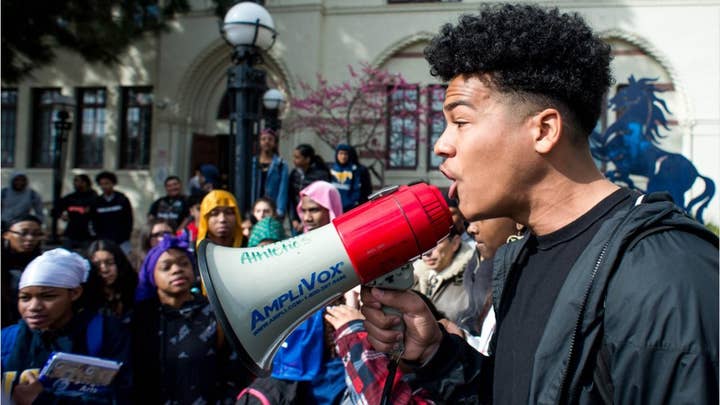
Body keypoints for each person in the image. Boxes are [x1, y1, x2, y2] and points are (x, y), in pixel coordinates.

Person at [360, 4, 719, 404]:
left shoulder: (664, 275)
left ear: (544, 130)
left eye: (460, 121)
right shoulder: (521, 260)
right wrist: (436, 356)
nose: (441, 145)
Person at [237, 181, 347, 405]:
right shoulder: (295, 250)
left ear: (332, 208)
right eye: (303, 210)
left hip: (335, 355)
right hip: (299, 356)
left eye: (314, 210)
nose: (307, 218)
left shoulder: (348, 248)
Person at [1, 248, 131, 404]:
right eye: (25, 297)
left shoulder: (105, 333)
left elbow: (121, 395)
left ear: (75, 293)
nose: (34, 306)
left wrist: (44, 400)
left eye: (48, 296)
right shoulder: (8, 339)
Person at [132, 236, 249, 403]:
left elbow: (233, 372)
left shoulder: (215, 311)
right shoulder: (141, 318)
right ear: (151, 276)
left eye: (184, 264)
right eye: (166, 267)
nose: (177, 269)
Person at [412, 227, 475, 325]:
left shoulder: (473, 278)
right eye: (423, 243)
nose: (427, 252)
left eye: (435, 243)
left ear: (455, 243)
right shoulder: (412, 279)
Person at [1, 215, 44, 328]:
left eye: (36, 234)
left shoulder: (44, 263)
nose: (30, 238)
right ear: (6, 235)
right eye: (23, 233)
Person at [87, 239, 138, 323]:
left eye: (110, 263)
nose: (104, 269)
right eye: (97, 265)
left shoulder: (134, 290)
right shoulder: (87, 298)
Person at [288, 144, 330, 234]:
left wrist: (304, 221)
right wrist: (294, 219)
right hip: (297, 220)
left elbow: (322, 202)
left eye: (297, 157)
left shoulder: (321, 175)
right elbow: (291, 197)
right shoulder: (294, 173)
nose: (294, 160)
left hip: (313, 219)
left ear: (307, 159)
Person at [90, 171, 134, 256]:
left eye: (107, 183)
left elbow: (128, 219)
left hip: (121, 241)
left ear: (113, 183)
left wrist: (125, 236)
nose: (104, 186)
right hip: (104, 240)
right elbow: (94, 221)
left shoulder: (122, 199)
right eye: (101, 184)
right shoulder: (97, 202)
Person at [53, 174, 98, 252]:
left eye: (78, 181)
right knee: (65, 255)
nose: (75, 183)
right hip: (71, 232)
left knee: (89, 256)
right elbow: (55, 209)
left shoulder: (94, 197)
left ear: (85, 183)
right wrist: (61, 215)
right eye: (75, 181)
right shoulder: (71, 197)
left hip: (87, 234)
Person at [251, 128, 289, 218]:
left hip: (272, 209)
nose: (266, 142)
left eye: (270, 139)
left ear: (275, 143)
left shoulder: (281, 164)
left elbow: (283, 189)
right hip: (253, 207)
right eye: (263, 139)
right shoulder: (253, 162)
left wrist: (280, 211)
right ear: (259, 142)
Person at [329, 144, 364, 212]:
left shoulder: (354, 169)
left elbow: (356, 189)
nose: (343, 156)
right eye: (341, 153)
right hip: (332, 206)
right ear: (337, 155)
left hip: (349, 207)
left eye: (346, 154)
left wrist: (352, 202)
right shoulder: (330, 168)